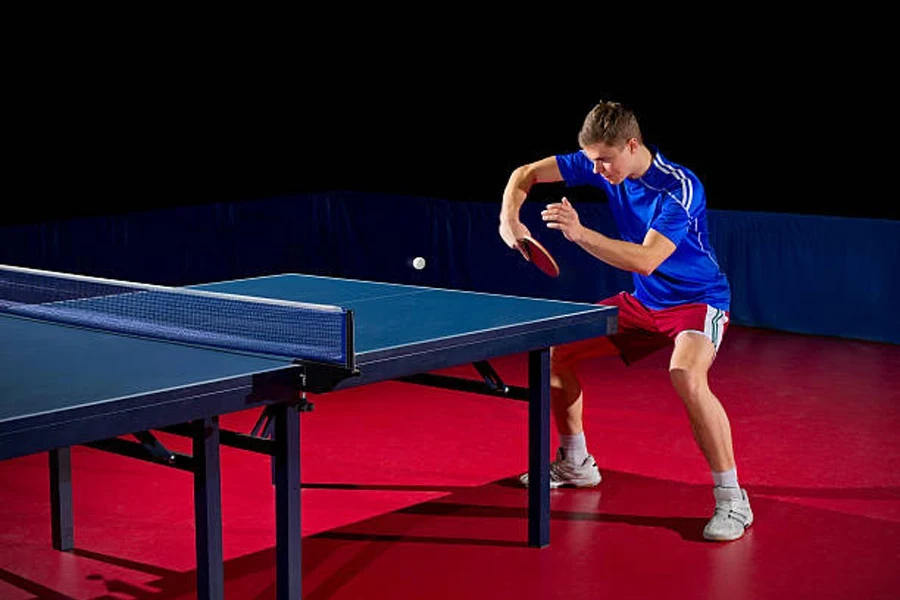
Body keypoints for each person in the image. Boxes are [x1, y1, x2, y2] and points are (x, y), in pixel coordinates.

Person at [498, 100, 753, 542]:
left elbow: (648, 259)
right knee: (556, 352)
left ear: (631, 146)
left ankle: (733, 499)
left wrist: (579, 234)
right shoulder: (600, 161)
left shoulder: (679, 188)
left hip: (697, 301)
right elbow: (525, 174)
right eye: (591, 161)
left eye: (604, 162)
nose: (596, 171)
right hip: (645, 302)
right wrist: (510, 220)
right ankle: (576, 463)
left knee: (686, 375)